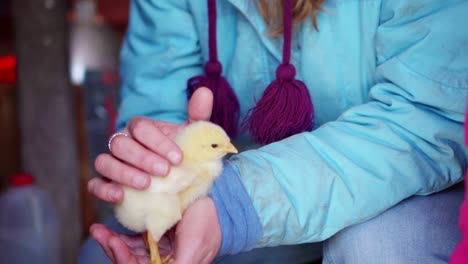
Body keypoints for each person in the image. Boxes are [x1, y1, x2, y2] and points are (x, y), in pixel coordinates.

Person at [79, 0, 468, 263]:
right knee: (100, 256)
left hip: (395, 200)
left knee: (378, 248)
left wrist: (236, 205)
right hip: (224, 213)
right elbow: (156, 102)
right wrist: (152, 162)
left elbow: (427, 117)